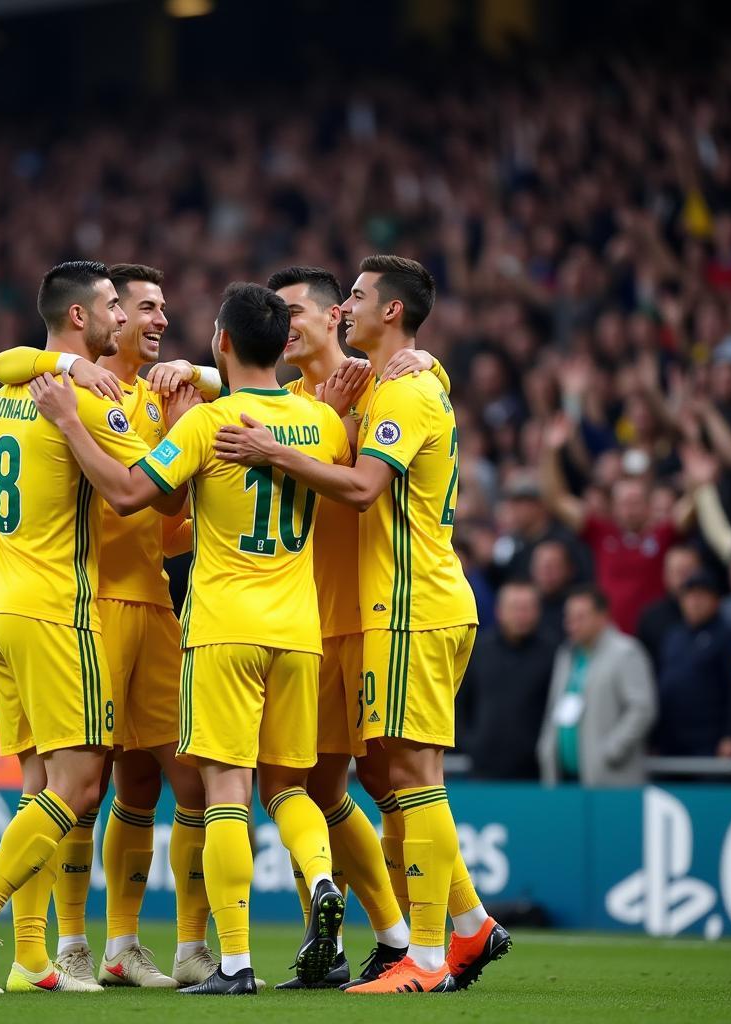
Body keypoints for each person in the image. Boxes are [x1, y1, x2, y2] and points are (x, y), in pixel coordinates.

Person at [30, 281, 351, 995]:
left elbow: (130, 495)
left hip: (225, 630)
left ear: (224, 342)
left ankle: (233, 961)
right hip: (300, 633)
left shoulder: (208, 425)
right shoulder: (318, 423)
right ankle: (324, 881)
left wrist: (75, 425)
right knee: (290, 789)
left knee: (225, 791)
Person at [213, 256, 507, 995]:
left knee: (403, 775)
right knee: (356, 776)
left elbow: (365, 479)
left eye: (304, 311)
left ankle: (426, 950)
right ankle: (458, 926)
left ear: (335, 318)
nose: (286, 326)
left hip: (393, 610)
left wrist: (426, 367)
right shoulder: (296, 396)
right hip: (327, 621)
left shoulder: (392, 382)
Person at [0, 261, 180, 995]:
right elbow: (148, 492)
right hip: (53, 609)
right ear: (80, 317)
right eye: (112, 304)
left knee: (39, 785)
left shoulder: (10, 391)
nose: (121, 316)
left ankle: (33, 957)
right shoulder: (84, 396)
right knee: (77, 786)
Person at [0, 264, 216, 989]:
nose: (153, 320)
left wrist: (194, 381)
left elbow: (170, 529)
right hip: (82, 608)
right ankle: (64, 946)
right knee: (75, 783)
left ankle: (145, 944)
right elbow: (11, 360)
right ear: (103, 319)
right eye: (139, 307)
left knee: (171, 783)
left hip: (151, 606)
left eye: (161, 312)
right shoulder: (68, 389)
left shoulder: (160, 395)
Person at [541, 416, 691, 635]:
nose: (630, 509)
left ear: (649, 505)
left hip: (655, 636)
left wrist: (699, 478)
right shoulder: (600, 532)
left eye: (636, 502)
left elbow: (691, 508)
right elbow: (556, 500)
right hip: (609, 640)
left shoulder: (662, 533)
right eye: (623, 503)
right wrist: (551, 451)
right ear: (613, 507)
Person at [537, 587, 658, 786]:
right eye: (568, 617)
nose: (571, 624)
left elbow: (642, 709)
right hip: (564, 778)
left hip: (609, 779)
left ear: (603, 617)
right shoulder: (566, 654)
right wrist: (547, 748)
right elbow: (555, 707)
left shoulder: (626, 653)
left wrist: (611, 750)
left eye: (580, 617)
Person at [458, 582, 557, 780]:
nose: (520, 615)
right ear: (499, 611)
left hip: (534, 771)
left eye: (526, 608)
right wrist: (470, 742)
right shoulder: (478, 650)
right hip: (482, 768)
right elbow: (459, 702)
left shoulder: (554, 653)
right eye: (514, 608)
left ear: (538, 611)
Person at [654, 571, 731, 758]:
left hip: (710, 740)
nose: (694, 602)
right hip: (672, 739)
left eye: (701, 596)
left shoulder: (728, 637)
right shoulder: (673, 636)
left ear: (716, 601)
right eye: (689, 596)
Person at [635, 545, 703, 671]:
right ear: (666, 575)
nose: (684, 579)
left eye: (688, 571)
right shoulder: (651, 618)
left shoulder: (714, 614)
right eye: (678, 572)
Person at [529, 539, 577, 642]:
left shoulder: (578, 607)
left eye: (554, 567)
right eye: (542, 567)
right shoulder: (525, 605)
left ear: (569, 570)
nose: (547, 573)